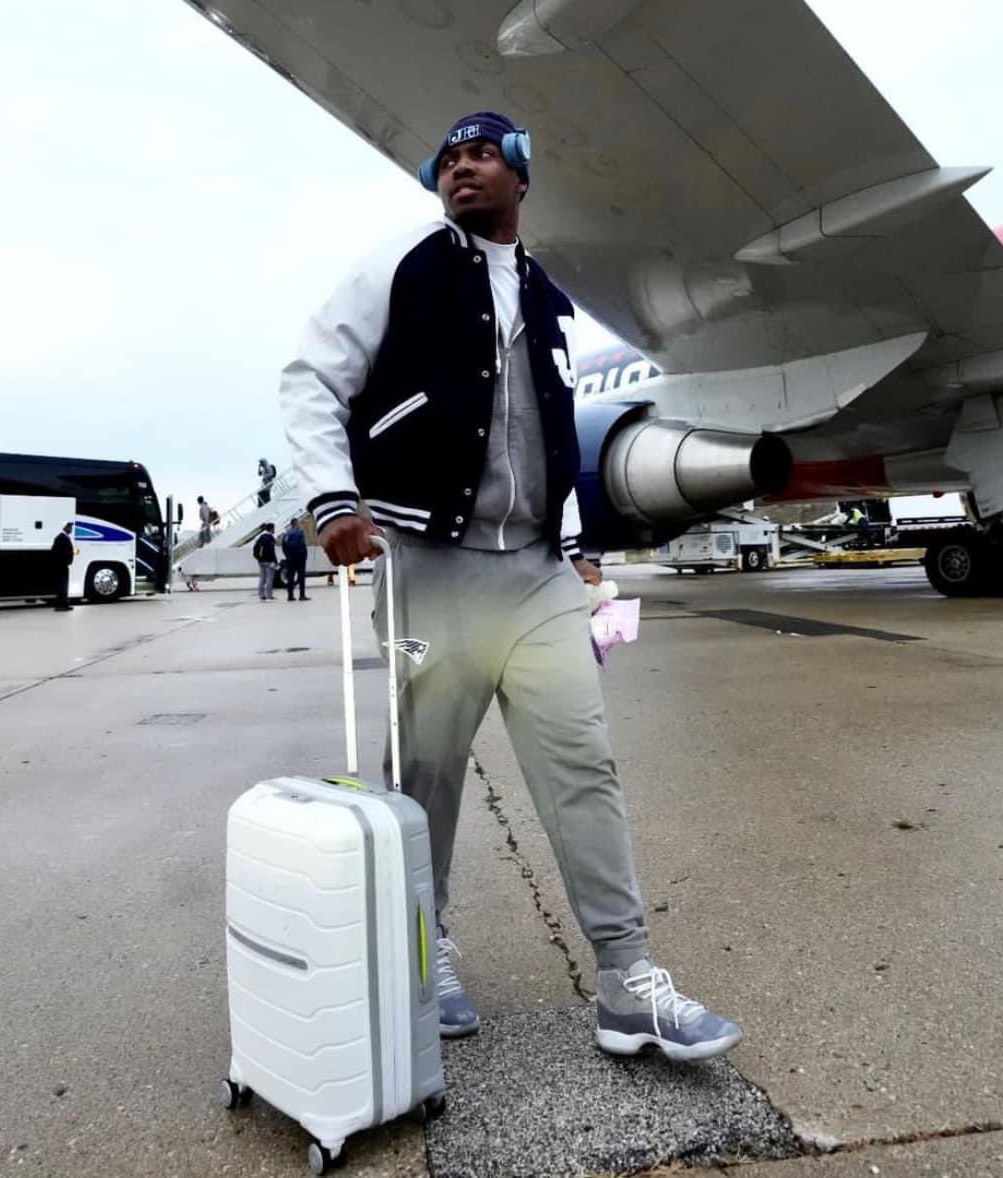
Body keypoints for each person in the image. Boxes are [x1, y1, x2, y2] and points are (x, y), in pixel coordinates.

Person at [280, 111, 741, 1062]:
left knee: (582, 767)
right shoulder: (402, 264)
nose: (461, 170)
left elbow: (548, 430)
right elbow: (309, 380)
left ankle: (626, 981)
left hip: (536, 573)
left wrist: (575, 545)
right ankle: (425, 949)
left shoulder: (546, 291)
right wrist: (331, 498)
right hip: (429, 565)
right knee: (425, 777)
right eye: (448, 161)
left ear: (520, 176)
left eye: (481, 155)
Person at [281, 517, 310, 601]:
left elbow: (284, 546)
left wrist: (287, 555)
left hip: (290, 558)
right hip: (300, 558)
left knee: (290, 577)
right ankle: (302, 595)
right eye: (298, 522)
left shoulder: (286, 533)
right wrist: (305, 556)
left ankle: (290, 596)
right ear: (296, 523)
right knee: (301, 577)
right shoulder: (300, 532)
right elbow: (302, 545)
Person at [50, 522, 74, 611]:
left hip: (62, 565)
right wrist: (65, 561)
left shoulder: (63, 537)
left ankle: (63, 604)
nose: (71, 529)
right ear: (65, 528)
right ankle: (61, 605)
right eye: (69, 527)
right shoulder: (61, 538)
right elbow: (56, 552)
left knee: (63, 585)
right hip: (61, 566)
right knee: (62, 586)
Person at [252, 523, 278, 600]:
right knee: (269, 579)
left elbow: (255, 548)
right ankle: (269, 595)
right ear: (271, 529)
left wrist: (258, 558)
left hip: (261, 561)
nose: (274, 530)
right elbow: (272, 551)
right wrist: (275, 561)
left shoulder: (261, 537)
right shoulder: (270, 538)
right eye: (273, 528)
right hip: (269, 561)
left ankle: (261, 595)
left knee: (262, 579)